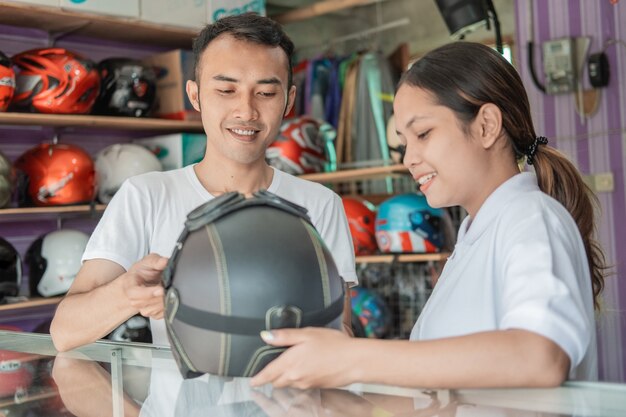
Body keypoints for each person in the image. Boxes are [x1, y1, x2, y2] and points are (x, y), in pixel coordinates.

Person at [250, 41, 607, 389]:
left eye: (423, 134)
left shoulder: (530, 218)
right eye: (405, 144)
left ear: (486, 125)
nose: (408, 159)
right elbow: (447, 402)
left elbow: (540, 358)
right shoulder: (473, 236)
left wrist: (352, 358)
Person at [49, 12, 357, 352]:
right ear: (195, 96)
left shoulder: (320, 204)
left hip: (287, 405)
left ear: (289, 100)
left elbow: (339, 329)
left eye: (266, 93)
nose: (247, 111)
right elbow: (64, 331)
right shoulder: (146, 196)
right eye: (226, 90)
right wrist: (127, 294)